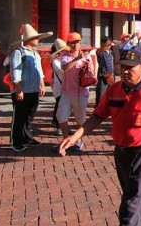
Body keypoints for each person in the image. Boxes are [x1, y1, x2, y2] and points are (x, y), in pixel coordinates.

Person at [59, 49, 141, 226]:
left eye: (130, 67)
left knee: (131, 200)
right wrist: (75, 136)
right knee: (134, 190)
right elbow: (97, 117)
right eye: (122, 67)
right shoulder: (113, 90)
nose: (125, 71)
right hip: (121, 150)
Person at [9, 24, 52, 152]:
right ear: (29, 39)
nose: (38, 40)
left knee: (29, 116)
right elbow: (15, 71)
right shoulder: (18, 52)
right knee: (19, 117)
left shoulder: (35, 54)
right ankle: (16, 141)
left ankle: (27, 138)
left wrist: (42, 84)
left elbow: (39, 70)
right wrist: (18, 89)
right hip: (22, 90)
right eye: (36, 38)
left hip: (33, 89)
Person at [57, 32, 90, 152]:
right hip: (67, 92)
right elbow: (65, 68)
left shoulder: (87, 57)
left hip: (81, 92)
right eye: (73, 43)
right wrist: (77, 59)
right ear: (68, 44)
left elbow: (90, 73)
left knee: (80, 118)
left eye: (77, 42)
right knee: (61, 115)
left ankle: (78, 140)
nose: (75, 45)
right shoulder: (65, 56)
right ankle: (66, 138)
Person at [50, 39, 69, 137]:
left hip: (68, 87)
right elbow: (62, 72)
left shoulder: (67, 59)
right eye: (64, 50)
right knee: (59, 107)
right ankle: (58, 126)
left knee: (67, 108)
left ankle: (65, 126)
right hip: (59, 88)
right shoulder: (56, 61)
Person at [96, 36, 115, 107]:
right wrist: (106, 44)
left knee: (111, 93)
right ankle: (98, 108)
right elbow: (101, 49)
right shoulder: (100, 51)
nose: (109, 45)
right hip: (103, 75)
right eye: (108, 43)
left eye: (110, 43)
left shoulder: (111, 52)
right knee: (101, 93)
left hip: (111, 75)